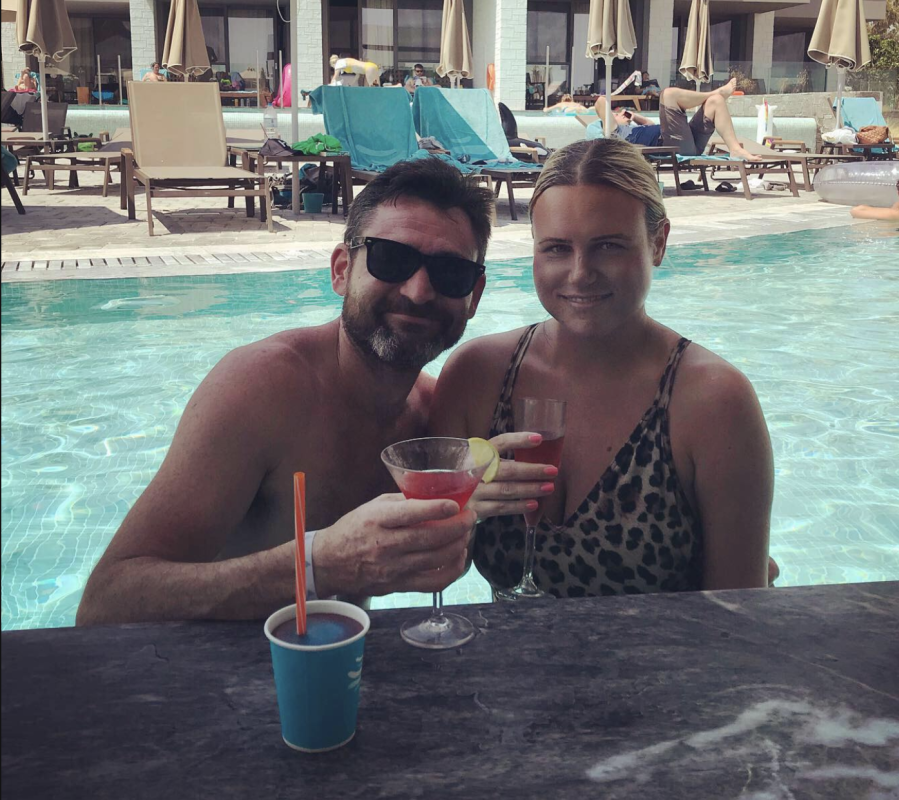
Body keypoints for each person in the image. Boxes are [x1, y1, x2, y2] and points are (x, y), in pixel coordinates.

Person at [76, 158, 497, 625]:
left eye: (450, 273)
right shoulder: (263, 388)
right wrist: (319, 565)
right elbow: (104, 603)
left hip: (337, 674)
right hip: (214, 678)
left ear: (473, 296)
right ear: (341, 270)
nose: (419, 291)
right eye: (391, 259)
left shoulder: (433, 422)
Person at [430, 137, 774, 597]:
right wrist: (458, 516)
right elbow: (433, 572)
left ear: (659, 242)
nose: (579, 273)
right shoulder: (477, 376)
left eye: (609, 246)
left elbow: (739, 612)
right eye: (555, 249)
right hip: (509, 663)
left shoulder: (711, 401)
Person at [596, 78, 763, 161]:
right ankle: (715, 92)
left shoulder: (638, 128)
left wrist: (634, 117)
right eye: (617, 115)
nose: (622, 115)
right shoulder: (614, 133)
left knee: (715, 102)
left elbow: (650, 123)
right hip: (672, 146)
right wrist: (613, 119)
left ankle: (735, 148)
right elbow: (600, 102)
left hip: (687, 142)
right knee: (668, 94)